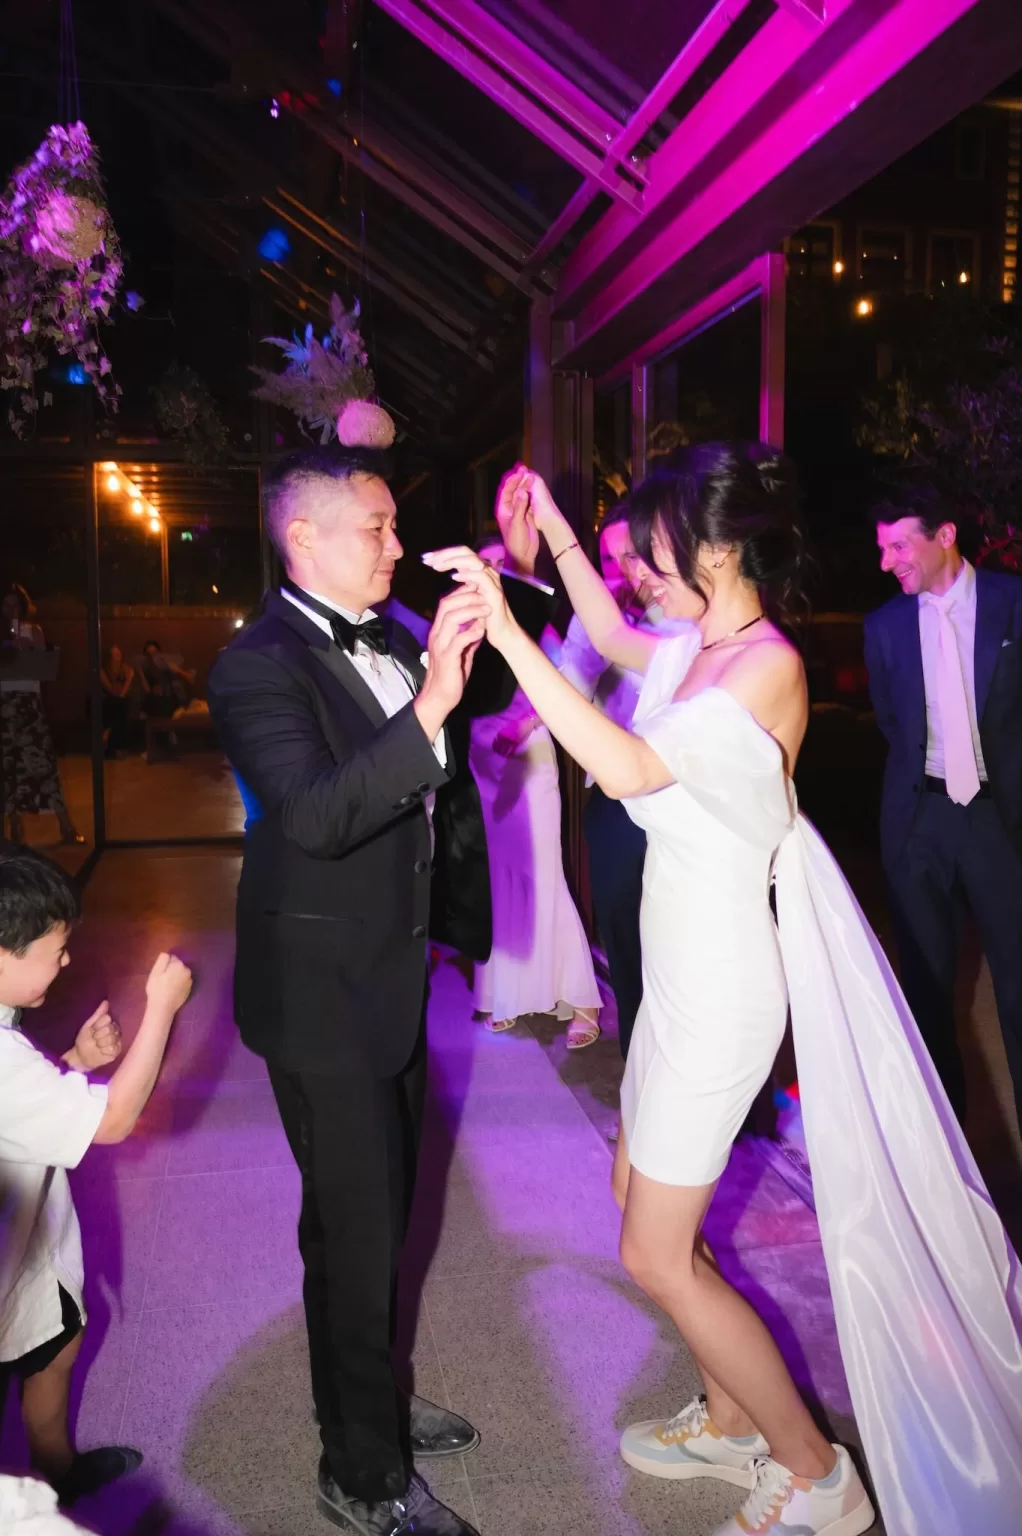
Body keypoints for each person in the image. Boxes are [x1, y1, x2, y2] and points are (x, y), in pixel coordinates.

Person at [424, 451, 1022, 1536]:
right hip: (679, 982)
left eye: (648, 556)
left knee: (653, 1252)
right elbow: (607, 637)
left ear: (712, 549)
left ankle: (814, 1473)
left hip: (721, 993)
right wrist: (553, 529)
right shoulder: (695, 646)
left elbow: (627, 768)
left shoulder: (763, 668)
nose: (637, 575)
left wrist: (505, 635)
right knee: (632, 1193)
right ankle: (728, 1416)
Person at [208, 443, 549, 1536]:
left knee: (374, 1214)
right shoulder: (256, 664)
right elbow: (312, 814)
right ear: (302, 538)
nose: (398, 548)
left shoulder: (389, 632)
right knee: (357, 1232)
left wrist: (512, 593)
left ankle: (370, 1397)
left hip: (392, 974)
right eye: (379, 529)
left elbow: (486, 686)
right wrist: (429, 709)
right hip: (320, 993)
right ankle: (362, 1471)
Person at [0, 845, 192, 1502]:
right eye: (52, 950)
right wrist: (161, 1009)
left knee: (55, 1343)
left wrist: (74, 1061)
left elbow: (18, 1108)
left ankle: (59, 1471)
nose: (66, 959)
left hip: (26, 1253)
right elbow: (112, 1121)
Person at [865, 483, 1022, 1138]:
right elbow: (892, 725)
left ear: (945, 536)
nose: (886, 561)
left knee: (1016, 994)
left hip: (1000, 822)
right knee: (926, 997)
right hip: (919, 822)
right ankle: (948, 1164)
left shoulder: (1015, 604)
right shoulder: (884, 627)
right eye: (881, 549)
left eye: (899, 545)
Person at [469, 537, 601, 1046]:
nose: (494, 572)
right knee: (498, 878)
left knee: (543, 874)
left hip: (529, 753)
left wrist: (521, 725)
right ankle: (506, 994)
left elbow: (567, 686)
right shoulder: (465, 626)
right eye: (487, 565)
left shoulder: (538, 626)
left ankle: (582, 997)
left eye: (502, 564)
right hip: (483, 757)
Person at [558, 508, 677, 1061]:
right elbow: (568, 691)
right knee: (626, 952)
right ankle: (639, 1095)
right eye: (609, 558)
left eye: (632, 554)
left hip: (681, 804)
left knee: (681, 957)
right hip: (615, 801)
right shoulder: (595, 619)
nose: (623, 570)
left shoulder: (691, 618)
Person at [1, 587, 82, 848]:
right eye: (6, 606)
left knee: (43, 763)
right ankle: (14, 829)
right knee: (7, 767)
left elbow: (44, 666)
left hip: (28, 703)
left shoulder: (33, 630)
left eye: (15, 606)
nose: (11, 611)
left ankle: (66, 826)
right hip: (3, 703)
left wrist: (30, 649)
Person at [99, 646, 134, 759]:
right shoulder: (103, 671)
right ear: (110, 657)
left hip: (121, 703)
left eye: (118, 652)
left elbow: (123, 694)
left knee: (120, 705)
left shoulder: (127, 669)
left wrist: (129, 680)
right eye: (114, 653)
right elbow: (112, 691)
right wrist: (125, 683)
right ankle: (117, 749)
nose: (117, 655)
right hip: (106, 702)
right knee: (116, 705)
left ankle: (107, 733)